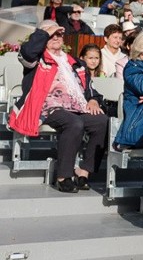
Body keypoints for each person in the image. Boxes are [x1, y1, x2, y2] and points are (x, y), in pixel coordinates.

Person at [9, 20, 108, 193]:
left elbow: (89, 89)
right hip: (47, 106)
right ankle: (63, 177)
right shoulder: (35, 59)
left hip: (76, 106)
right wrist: (46, 31)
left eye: (59, 34)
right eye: (50, 34)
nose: (55, 36)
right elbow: (27, 52)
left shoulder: (74, 62)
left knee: (101, 121)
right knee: (74, 123)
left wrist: (93, 99)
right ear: (41, 36)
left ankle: (83, 172)